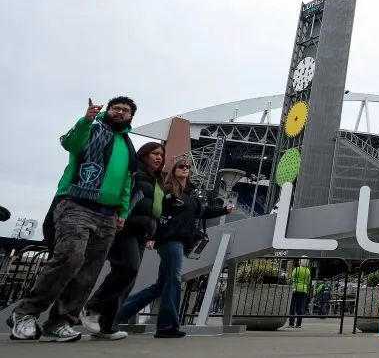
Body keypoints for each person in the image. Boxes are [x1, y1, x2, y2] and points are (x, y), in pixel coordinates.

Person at [9, 97, 139, 343]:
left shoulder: (127, 145)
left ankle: (60, 322)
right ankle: (25, 314)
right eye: (116, 108)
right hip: (77, 204)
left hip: (108, 214)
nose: (120, 112)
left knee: (89, 271)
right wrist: (85, 121)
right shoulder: (92, 129)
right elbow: (70, 143)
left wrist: (123, 212)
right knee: (70, 257)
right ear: (107, 111)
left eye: (126, 110)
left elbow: (127, 181)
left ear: (131, 117)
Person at [118, 156, 232, 339]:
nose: (185, 168)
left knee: (160, 285)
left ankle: (117, 313)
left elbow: (203, 212)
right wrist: (152, 236)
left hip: (181, 240)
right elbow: (157, 212)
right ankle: (167, 326)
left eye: (187, 166)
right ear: (173, 170)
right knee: (174, 280)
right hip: (170, 240)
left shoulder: (190, 194)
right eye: (180, 166)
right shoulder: (168, 190)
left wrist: (224, 210)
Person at [80, 142, 165, 340]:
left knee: (129, 278)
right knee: (127, 268)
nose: (159, 158)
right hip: (125, 229)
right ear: (144, 155)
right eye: (155, 153)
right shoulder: (135, 173)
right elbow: (124, 195)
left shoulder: (156, 179)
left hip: (143, 233)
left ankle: (107, 326)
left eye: (161, 155)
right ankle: (93, 307)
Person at [288, 258, 312, 329]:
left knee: (293, 306)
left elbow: (291, 279)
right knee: (301, 307)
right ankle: (298, 324)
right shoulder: (308, 271)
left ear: (300, 262)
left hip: (295, 289)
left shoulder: (296, 269)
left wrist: (288, 281)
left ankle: (291, 323)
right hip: (304, 289)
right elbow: (308, 281)